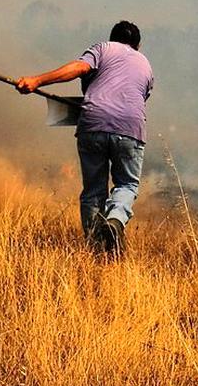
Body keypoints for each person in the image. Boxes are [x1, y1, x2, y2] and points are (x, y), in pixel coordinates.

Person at [16, 21, 153, 256]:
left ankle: (95, 250)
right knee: (127, 185)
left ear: (112, 38)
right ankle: (116, 219)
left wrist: (37, 80)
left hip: (93, 123)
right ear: (137, 45)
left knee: (93, 191)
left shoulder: (103, 49)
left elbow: (79, 68)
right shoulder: (146, 64)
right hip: (130, 128)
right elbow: (140, 97)